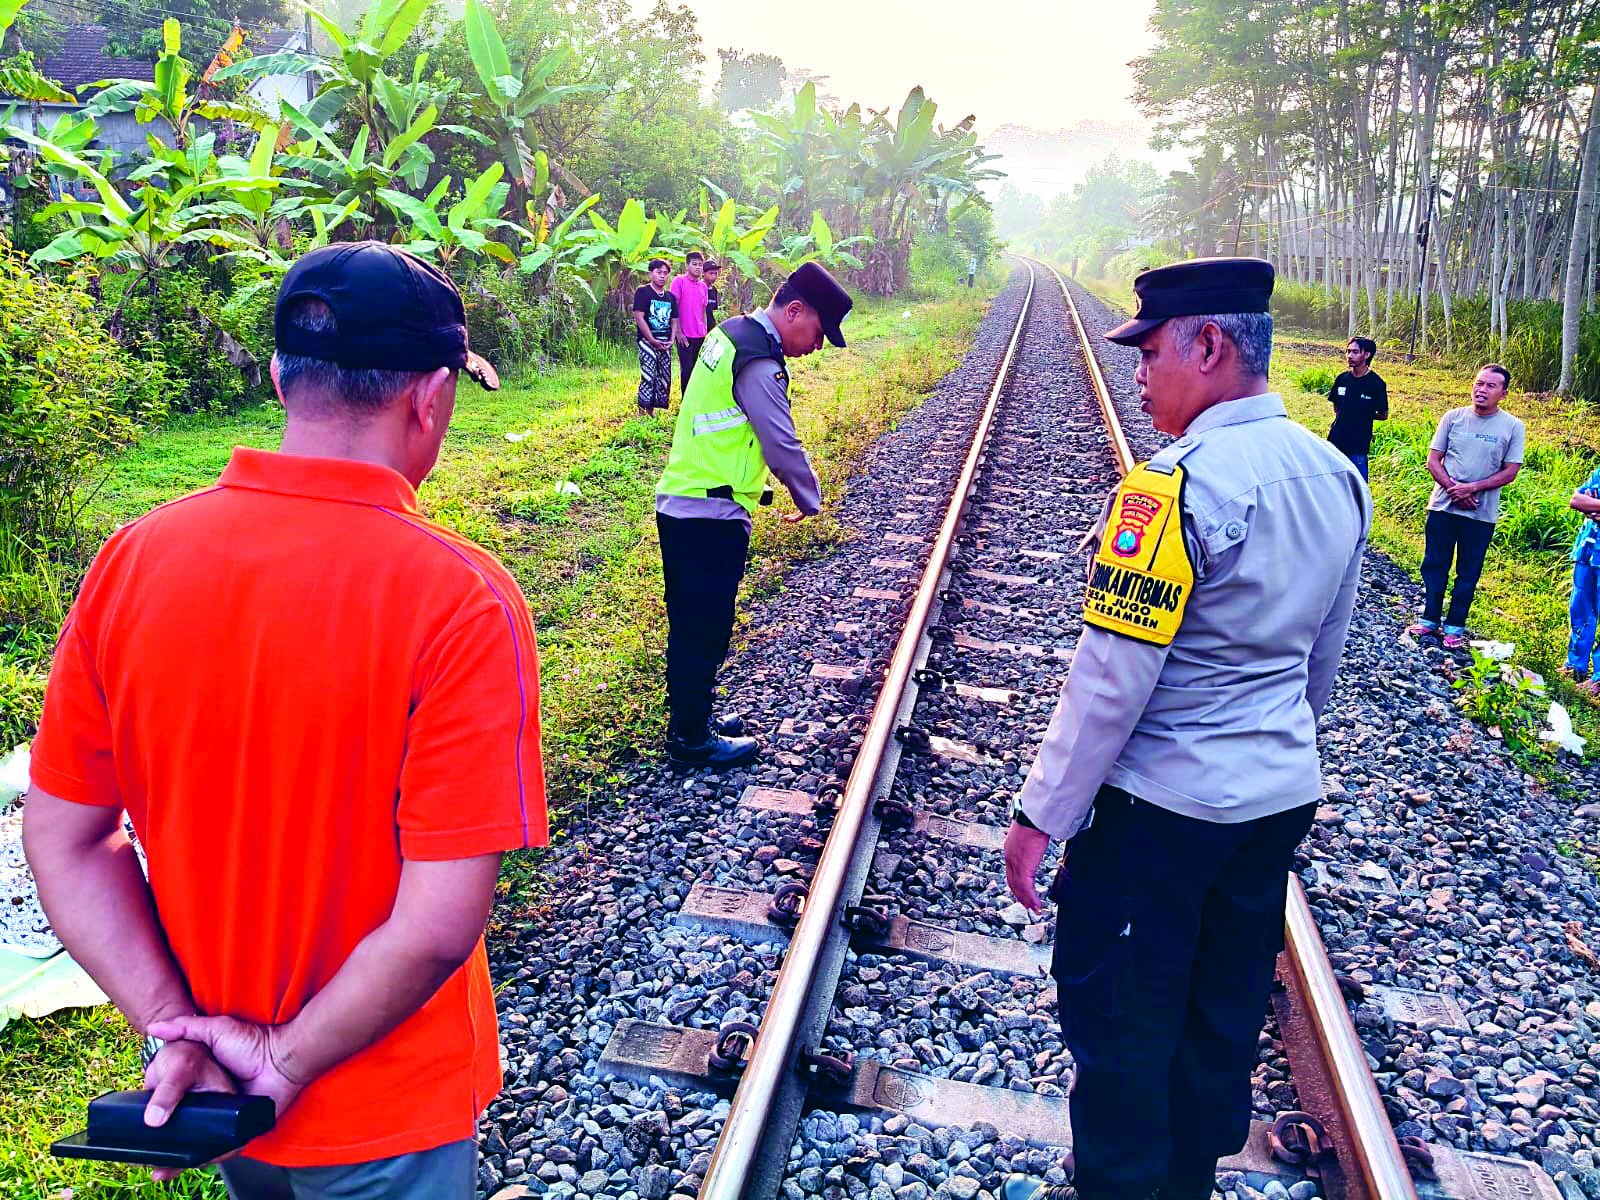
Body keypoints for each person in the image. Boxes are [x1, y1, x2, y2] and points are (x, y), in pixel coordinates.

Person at [23, 242, 548, 1200]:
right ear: (430, 398)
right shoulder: (463, 602)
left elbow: (65, 836)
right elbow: (435, 926)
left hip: (213, 1100)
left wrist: (175, 1027)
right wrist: (283, 1061)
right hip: (380, 1108)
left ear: (277, 376)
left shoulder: (132, 563)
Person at [999, 257, 1370, 1200]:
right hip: (1273, 802)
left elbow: (1110, 681)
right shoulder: (1335, 476)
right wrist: (1268, 752)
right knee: (1221, 1004)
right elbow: (1319, 661)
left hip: (1159, 814)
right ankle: (1187, 1180)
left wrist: (1042, 812)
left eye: (1151, 350)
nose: (1140, 373)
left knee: (1124, 1020)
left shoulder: (1168, 488)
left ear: (1208, 345)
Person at [654, 262, 852, 768]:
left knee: (692, 623)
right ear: (793, 311)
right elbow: (780, 441)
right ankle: (692, 740)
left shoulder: (729, 334)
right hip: (710, 511)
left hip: (688, 500)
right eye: (818, 332)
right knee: (706, 627)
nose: (818, 345)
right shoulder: (759, 360)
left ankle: (691, 719)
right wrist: (810, 500)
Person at [1405, 364, 1524, 649]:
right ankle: (1430, 619)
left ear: (1503, 394)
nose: (1482, 390)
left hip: (1480, 513)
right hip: (1443, 507)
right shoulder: (1453, 418)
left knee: (1468, 571)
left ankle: (1455, 626)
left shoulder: (1512, 426)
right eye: (1479, 383)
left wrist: (1472, 489)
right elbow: (1433, 460)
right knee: (1435, 564)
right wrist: (1453, 488)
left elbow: (1510, 471)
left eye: (1491, 386)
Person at [1325, 335, 1387, 480]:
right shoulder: (1342, 379)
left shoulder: (1376, 384)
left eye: (1355, 352)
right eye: (1348, 351)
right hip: (1336, 440)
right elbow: (1337, 407)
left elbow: (1383, 415)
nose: (1349, 356)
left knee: (1358, 487)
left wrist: (1362, 414)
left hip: (1358, 445)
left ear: (1367, 355)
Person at [1564, 461, 1600, 694]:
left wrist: (1595, 504)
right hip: (1589, 551)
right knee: (1581, 610)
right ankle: (1575, 666)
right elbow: (1576, 500)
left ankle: (1599, 679)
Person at [633, 258, 678, 416]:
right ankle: (642, 411)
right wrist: (652, 340)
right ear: (650, 273)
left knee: (663, 377)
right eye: (659, 272)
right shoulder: (643, 292)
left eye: (665, 273)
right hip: (647, 342)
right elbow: (639, 317)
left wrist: (672, 340)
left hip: (665, 342)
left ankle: (651, 411)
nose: (662, 276)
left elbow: (674, 320)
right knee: (648, 375)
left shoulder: (670, 297)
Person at [671, 250, 711, 392]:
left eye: (700, 265)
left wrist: (705, 331)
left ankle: (696, 402)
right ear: (687, 265)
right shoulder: (679, 281)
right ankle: (685, 403)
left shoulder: (703, 286)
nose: (698, 268)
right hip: (685, 335)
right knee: (686, 370)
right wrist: (678, 333)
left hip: (700, 335)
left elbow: (703, 310)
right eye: (694, 264)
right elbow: (673, 308)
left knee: (698, 371)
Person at [703, 259, 722, 332]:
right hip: (699, 329)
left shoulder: (714, 290)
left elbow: (714, 311)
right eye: (711, 273)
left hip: (711, 328)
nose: (714, 276)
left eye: (716, 273)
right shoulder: (698, 288)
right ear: (703, 273)